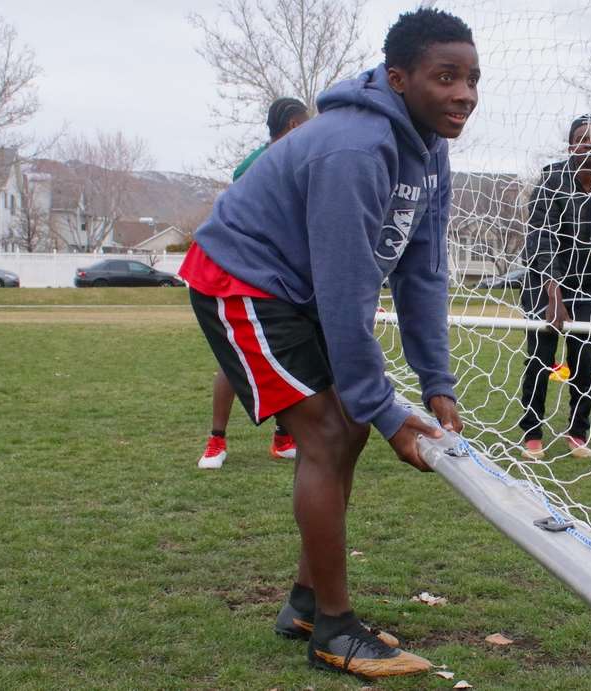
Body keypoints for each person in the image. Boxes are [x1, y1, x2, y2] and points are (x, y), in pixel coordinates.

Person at [178, 8, 478, 679]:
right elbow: (348, 294)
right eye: (445, 77)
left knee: (351, 428)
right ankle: (335, 630)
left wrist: (436, 381)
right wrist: (388, 410)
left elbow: (421, 269)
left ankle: (308, 604)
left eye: (472, 79)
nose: (464, 93)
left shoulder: (431, 151)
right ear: (399, 79)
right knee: (326, 431)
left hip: (299, 290)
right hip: (243, 280)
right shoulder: (356, 147)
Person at [199, 97, 310, 469]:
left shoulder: (285, 157)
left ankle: (283, 436)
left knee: (294, 355)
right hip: (240, 275)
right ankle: (216, 440)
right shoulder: (263, 164)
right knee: (233, 361)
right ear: (294, 125)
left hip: (279, 277)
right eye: (305, 123)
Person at [518, 114, 591, 460]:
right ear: (571, 146)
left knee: (584, 361)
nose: (589, 144)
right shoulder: (551, 181)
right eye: (581, 138)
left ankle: (578, 432)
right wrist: (553, 294)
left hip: (585, 285)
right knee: (541, 356)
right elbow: (542, 239)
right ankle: (532, 432)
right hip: (543, 282)